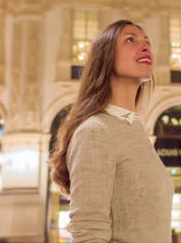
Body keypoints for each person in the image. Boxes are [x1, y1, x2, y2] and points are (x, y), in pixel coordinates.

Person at [48, 20, 174, 243]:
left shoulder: (134, 128)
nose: (145, 46)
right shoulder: (95, 132)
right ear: (105, 57)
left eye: (147, 41)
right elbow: (88, 232)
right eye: (130, 40)